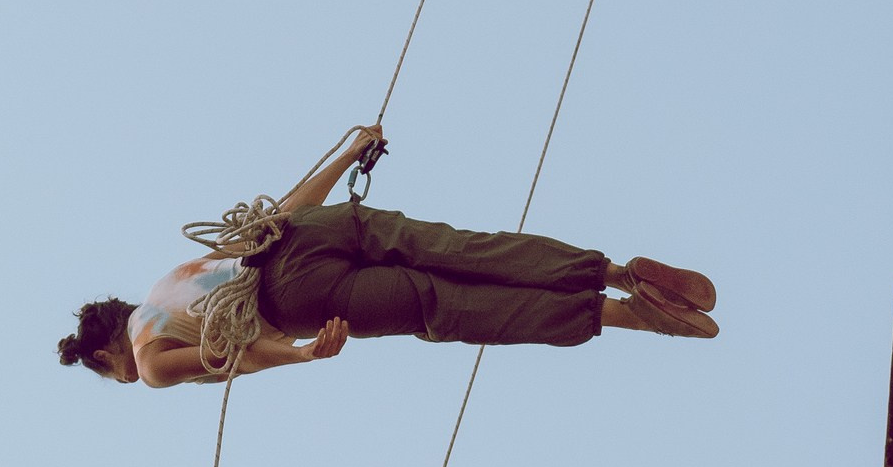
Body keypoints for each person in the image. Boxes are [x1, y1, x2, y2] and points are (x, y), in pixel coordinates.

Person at [57, 124, 718, 386]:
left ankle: (633, 317)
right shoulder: (175, 275)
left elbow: (227, 353)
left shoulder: (145, 358)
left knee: (449, 306)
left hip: (294, 301)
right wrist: (347, 152)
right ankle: (619, 273)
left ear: (104, 353)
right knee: (466, 249)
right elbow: (276, 219)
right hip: (314, 231)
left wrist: (301, 354)